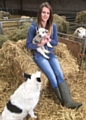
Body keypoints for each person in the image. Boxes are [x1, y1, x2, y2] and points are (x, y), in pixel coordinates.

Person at [26, 2, 82, 109]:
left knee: (59, 74)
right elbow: (28, 45)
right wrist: (40, 44)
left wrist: (50, 40)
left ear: (50, 14)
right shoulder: (33, 27)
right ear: (39, 13)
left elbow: (56, 42)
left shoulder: (53, 26)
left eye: (48, 13)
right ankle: (62, 102)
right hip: (39, 55)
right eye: (43, 12)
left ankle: (68, 101)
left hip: (50, 54)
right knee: (52, 76)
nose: (45, 15)